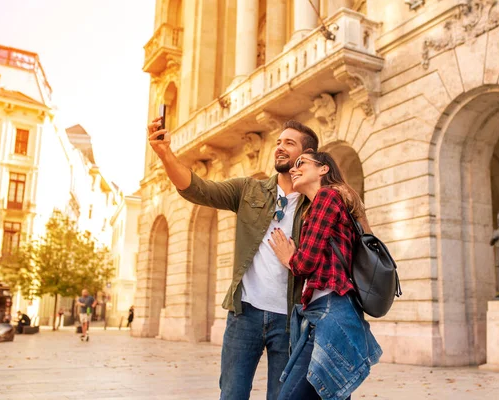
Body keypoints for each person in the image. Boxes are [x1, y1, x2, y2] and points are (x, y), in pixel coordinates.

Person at [147, 117, 319, 400]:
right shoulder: (250, 189)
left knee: (282, 397)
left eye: (289, 143)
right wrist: (166, 154)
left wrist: (294, 260)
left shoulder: (315, 204)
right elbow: (198, 189)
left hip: (289, 319)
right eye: (278, 142)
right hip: (245, 314)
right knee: (232, 395)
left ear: (306, 156)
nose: (279, 147)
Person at [269, 151, 382, 399]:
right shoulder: (337, 200)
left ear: (323, 169)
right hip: (338, 310)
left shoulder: (327, 197)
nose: (294, 169)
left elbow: (305, 263)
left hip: (329, 311)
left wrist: (289, 257)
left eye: (302, 164)